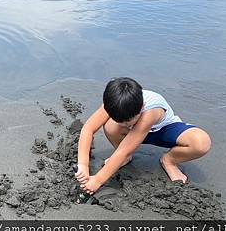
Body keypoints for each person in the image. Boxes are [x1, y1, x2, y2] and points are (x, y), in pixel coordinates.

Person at [75, 77, 211, 194]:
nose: (125, 123)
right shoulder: (114, 101)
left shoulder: (149, 111)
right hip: (134, 135)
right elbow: (88, 129)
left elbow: (123, 150)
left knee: (201, 143)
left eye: (128, 120)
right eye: (120, 120)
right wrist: (83, 165)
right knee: (111, 126)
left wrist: (97, 180)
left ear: (142, 106)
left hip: (164, 131)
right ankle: (126, 159)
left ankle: (169, 161)